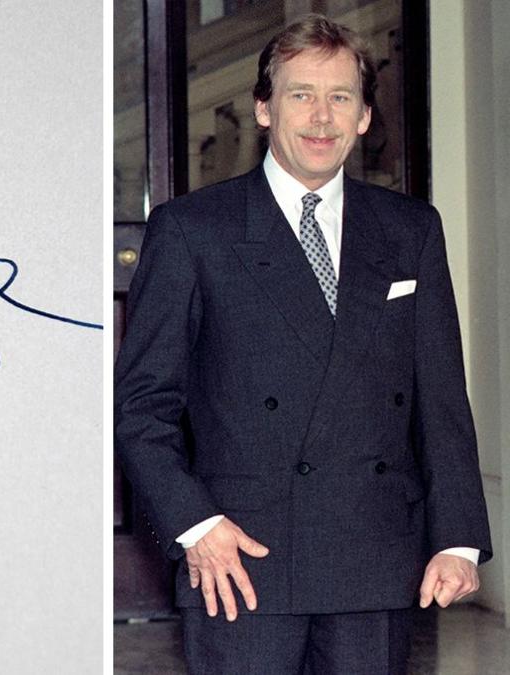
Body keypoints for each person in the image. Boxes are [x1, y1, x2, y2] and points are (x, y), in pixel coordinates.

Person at [114, 14, 492, 674]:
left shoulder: (411, 230)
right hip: (242, 560)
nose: (322, 118)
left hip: (372, 559)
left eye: (341, 96)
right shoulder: (193, 231)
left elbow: (441, 400)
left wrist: (458, 537)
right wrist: (195, 527)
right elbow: (143, 409)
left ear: (366, 116)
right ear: (263, 107)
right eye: (300, 94)